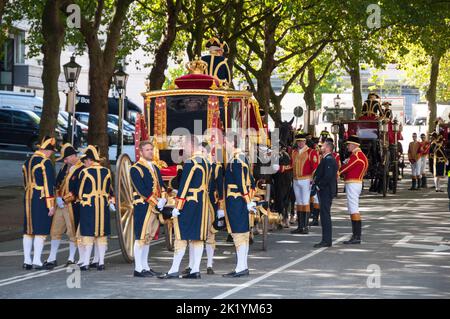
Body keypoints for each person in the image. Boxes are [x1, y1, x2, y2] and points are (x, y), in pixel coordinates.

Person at [158, 136, 210, 279]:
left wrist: (177, 207)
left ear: (191, 145)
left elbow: (184, 187)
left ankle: (174, 269)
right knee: (197, 237)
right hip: (202, 203)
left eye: (184, 145)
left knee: (180, 236)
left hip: (189, 203)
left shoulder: (191, 163)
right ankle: (195, 270)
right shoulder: (206, 162)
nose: (183, 148)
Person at [130, 140, 167, 277]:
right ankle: (138, 268)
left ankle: (145, 266)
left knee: (148, 238)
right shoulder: (136, 168)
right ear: (141, 152)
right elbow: (141, 189)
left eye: (151, 149)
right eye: (147, 150)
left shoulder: (155, 168)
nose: (150, 152)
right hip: (143, 206)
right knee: (140, 237)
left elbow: (161, 186)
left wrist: (163, 198)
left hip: (155, 206)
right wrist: (155, 201)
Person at [45, 143, 84, 269]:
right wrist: (57, 198)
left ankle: (71, 258)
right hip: (60, 205)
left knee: (72, 232)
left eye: (66, 158)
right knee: (55, 231)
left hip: (73, 205)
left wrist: (65, 199)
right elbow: (57, 184)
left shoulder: (81, 169)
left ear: (73, 156)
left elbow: (78, 189)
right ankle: (52, 257)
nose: (65, 161)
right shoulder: (64, 168)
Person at [222, 134, 255, 278]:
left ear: (231, 143)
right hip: (239, 199)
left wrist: (248, 201)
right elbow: (251, 181)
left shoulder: (236, 159)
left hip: (236, 199)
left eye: (225, 142)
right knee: (242, 233)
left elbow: (242, 182)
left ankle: (241, 267)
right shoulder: (242, 157)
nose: (223, 146)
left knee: (239, 233)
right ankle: (242, 266)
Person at [77, 145, 114, 271]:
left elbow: (80, 191)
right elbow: (109, 189)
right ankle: (101, 262)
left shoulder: (85, 172)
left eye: (85, 160)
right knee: (101, 234)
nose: (84, 163)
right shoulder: (107, 171)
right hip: (103, 204)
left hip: (89, 205)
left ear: (89, 160)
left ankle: (86, 262)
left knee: (88, 233)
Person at [22, 136, 56, 270]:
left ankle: (27, 261)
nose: (51, 154)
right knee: (40, 230)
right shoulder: (45, 162)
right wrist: (50, 205)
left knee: (28, 230)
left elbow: (24, 182)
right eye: (51, 152)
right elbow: (48, 185)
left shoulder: (27, 161)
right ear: (47, 151)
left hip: (28, 197)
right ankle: (37, 260)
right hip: (41, 198)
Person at [339, 135, 368, 244]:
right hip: (354, 183)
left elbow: (345, 168)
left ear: (354, 145)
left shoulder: (356, 156)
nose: (347, 147)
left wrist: (338, 172)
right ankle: (356, 235)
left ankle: (356, 236)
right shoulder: (358, 155)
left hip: (353, 183)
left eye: (349, 145)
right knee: (352, 208)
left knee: (353, 208)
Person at [291, 132, 319, 234]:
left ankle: (305, 226)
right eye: (298, 141)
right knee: (299, 202)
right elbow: (291, 165)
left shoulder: (311, 152)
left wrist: (312, 179)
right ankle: (300, 226)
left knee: (305, 201)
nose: (300, 143)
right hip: (296, 179)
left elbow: (315, 167)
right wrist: (281, 168)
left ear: (305, 141)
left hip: (306, 179)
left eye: (302, 141)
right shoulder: (294, 152)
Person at [313, 140, 338, 247]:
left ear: (328, 148)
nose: (321, 147)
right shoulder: (327, 159)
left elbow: (327, 176)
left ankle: (326, 240)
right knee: (324, 215)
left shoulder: (328, 159)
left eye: (323, 145)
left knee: (325, 215)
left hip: (326, 191)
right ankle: (326, 239)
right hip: (325, 190)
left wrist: (319, 186)